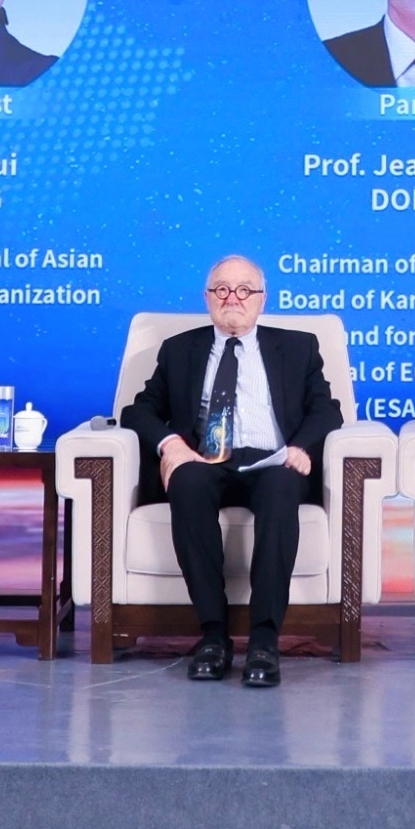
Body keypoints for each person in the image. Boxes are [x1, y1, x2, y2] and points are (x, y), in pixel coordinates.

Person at [118, 254, 347, 685]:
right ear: (207, 298)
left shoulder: (298, 347)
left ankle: (264, 640)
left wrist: (300, 448)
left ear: (262, 299)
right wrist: (171, 445)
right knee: (186, 481)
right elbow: (138, 411)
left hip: (272, 460)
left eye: (244, 290)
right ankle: (213, 636)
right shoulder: (180, 350)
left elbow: (327, 410)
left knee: (282, 486)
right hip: (206, 460)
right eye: (222, 289)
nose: (233, 298)